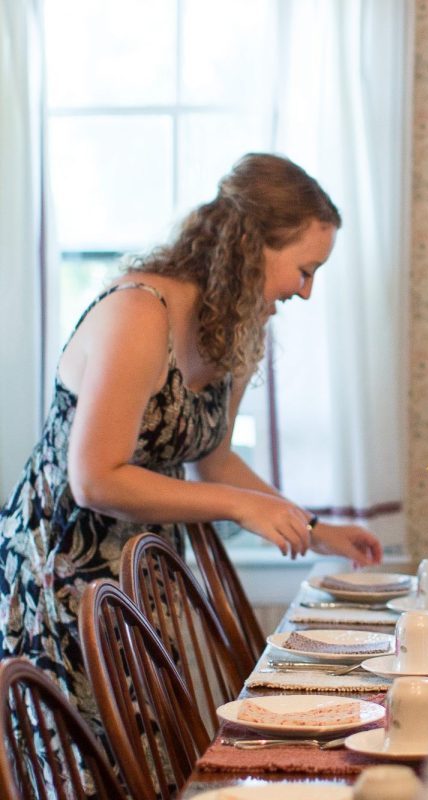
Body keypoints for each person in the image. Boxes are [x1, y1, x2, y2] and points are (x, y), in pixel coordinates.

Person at [0, 153, 383, 727]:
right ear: (251, 246)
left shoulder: (232, 327)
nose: (305, 292)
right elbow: (95, 477)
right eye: (304, 270)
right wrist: (242, 507)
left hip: (141, 575)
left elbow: (215, 459)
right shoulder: (140, 310)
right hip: (62, 573)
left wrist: (313, 528)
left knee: (147, 755)